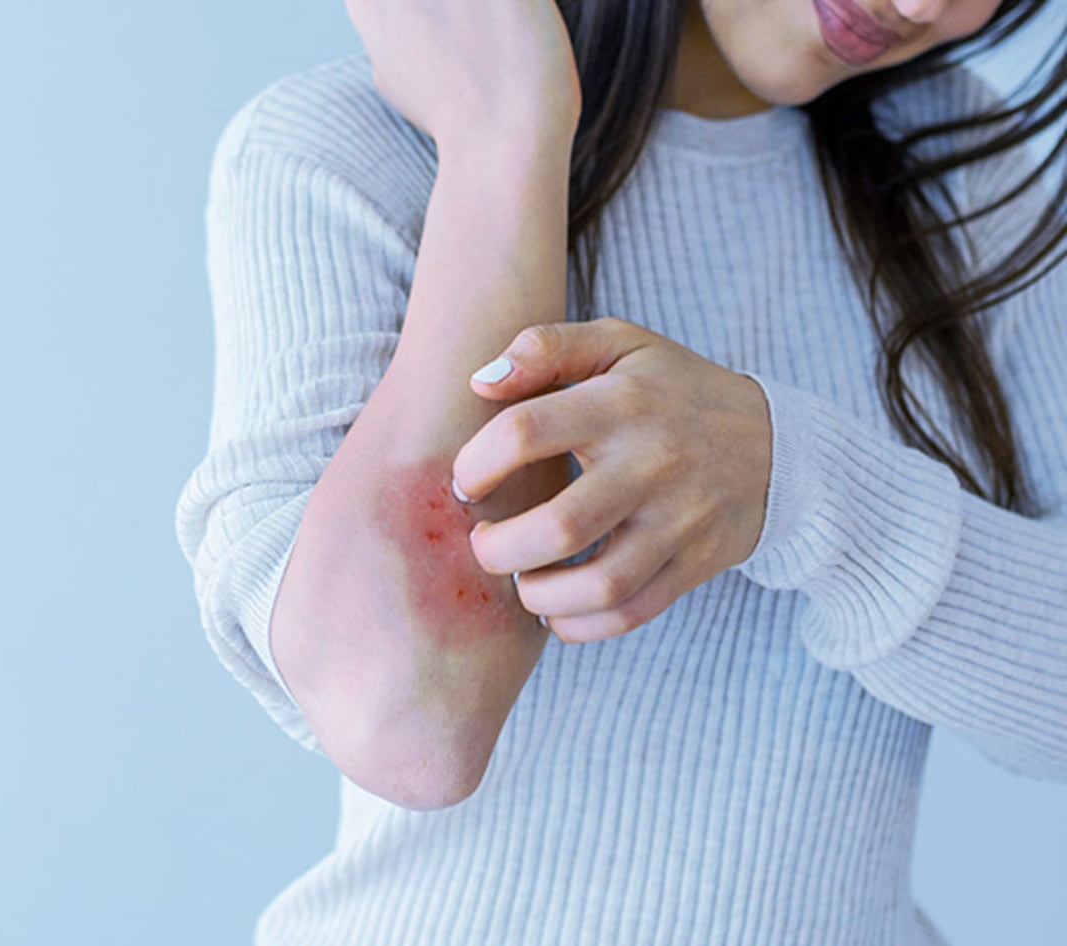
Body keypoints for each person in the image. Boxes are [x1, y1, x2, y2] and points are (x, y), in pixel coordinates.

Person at [176, 0, 1067, 941]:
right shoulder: (357, 151)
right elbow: (410, 726)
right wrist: (504, 139)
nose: (921, 5)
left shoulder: (974, 183)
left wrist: (796, 485)